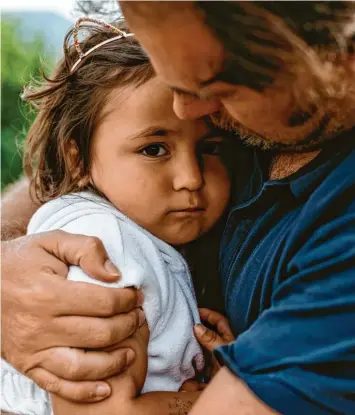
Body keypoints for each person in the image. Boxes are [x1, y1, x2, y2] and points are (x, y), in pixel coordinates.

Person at [2, 1, 355, 414]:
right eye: (154, 148)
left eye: (216, 87)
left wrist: (220, 379)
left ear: (336, 58)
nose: (186, 108)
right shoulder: (105, 243)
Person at [1, 17, 236, 415]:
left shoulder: (135, 235)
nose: (191, 178)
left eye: (211, 148)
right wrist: (216, 396)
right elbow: (100, 411)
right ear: (79, 160)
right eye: (154, 149)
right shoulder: (106, 246)